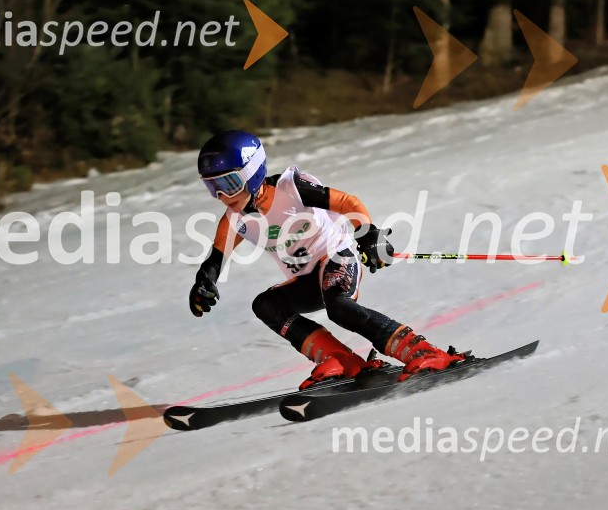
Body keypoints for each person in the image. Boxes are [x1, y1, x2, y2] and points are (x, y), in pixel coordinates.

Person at [189, 130, 466, 389]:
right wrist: (204, 282)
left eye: (228, 183)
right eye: (212, 187)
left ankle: (425, 352)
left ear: (251, 173)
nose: (222, 196)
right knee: (265, 305)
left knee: (339, 307)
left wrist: (369, 235)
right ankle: (342, 361)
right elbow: (216, 258)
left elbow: (347, 202)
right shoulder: (235, 220)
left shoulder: (290, 188)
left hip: (336, 256)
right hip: (308, 280)